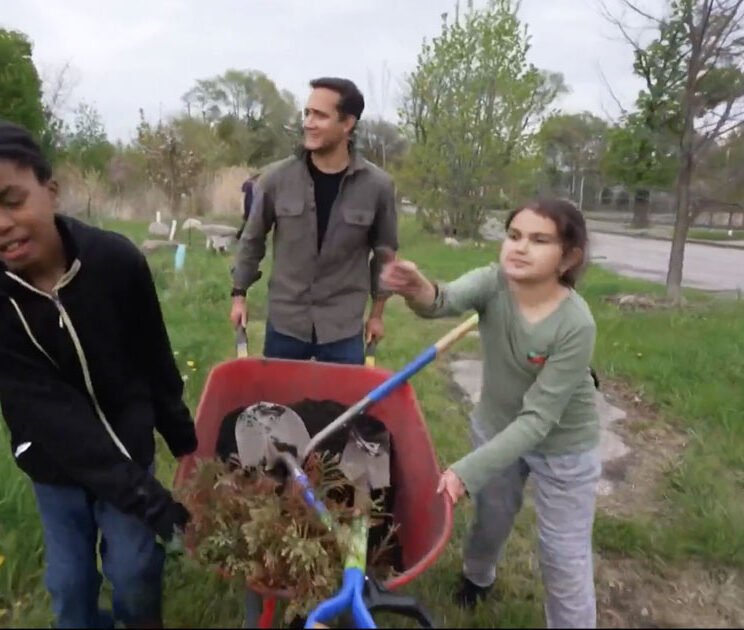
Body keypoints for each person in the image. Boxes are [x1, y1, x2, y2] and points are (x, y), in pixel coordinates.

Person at [0, 120, 195, 629]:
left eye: (12, 201)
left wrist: (183, 440)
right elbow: (48, 413)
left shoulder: (117, 261)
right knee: (70, 585)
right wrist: (149, 499)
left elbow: (154, 356)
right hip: (53, 462)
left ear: (50, 190)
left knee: (135, 571)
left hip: (128, 446)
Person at [380, 199, 601, 629]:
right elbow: (440, 301)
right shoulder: (491, 283)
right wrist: (417, 288)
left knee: (564, 555)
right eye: (514, 235)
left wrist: (466, 471)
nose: (520, 247)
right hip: (496, 427)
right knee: (491, 520)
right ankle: (478, 578)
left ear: (569, 258)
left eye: (539, 240)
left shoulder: (576, 324)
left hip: (565, 448)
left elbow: (538, 420)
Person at [229, 77, 398, 365]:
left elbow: (385, 254)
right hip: (286, 322)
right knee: (281, 395)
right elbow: (252, 240)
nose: (308, 123)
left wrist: (377, 315)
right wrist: (239, 296)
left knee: (343, 396)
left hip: (343, 327)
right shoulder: (275, 179)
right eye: (307, 113)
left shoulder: (377, 187)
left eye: (320, 115)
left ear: (347, 123)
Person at [235, 173, 259, 241]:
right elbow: (245, 198)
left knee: (248, 222)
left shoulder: (251, 185)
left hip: (250, 206)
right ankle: (240, 236)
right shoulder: (250, 185)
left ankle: (240, 236)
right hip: (249, 206)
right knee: (248, 222)